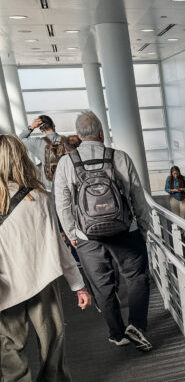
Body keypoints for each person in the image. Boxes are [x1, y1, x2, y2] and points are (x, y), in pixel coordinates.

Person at [0, 135, 92, 382]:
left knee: (7, 341)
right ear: (21, 159)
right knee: (51, 334)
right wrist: (78, 285)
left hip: (5, 286)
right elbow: (59, 247)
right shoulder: (37, 197)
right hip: (41, 279)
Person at [53, 110, 152, 351]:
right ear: (101, 133)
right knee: (137, 277)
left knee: (102, 285)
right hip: (125, 229)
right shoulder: (119, 157)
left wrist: (73, 235)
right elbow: (137, 195)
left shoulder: (67, 162)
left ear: (78, 135)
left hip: (87, 236)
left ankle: (117, 334)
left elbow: (62, 203)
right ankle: (136, 326)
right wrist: (144, 227)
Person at [19, 115, 67, 187]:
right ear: (53, 124)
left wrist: (31, 127)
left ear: (41, 130)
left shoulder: (38, 143)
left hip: (49, 184)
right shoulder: (68, 141)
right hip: (66, 182)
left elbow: (19, 140)